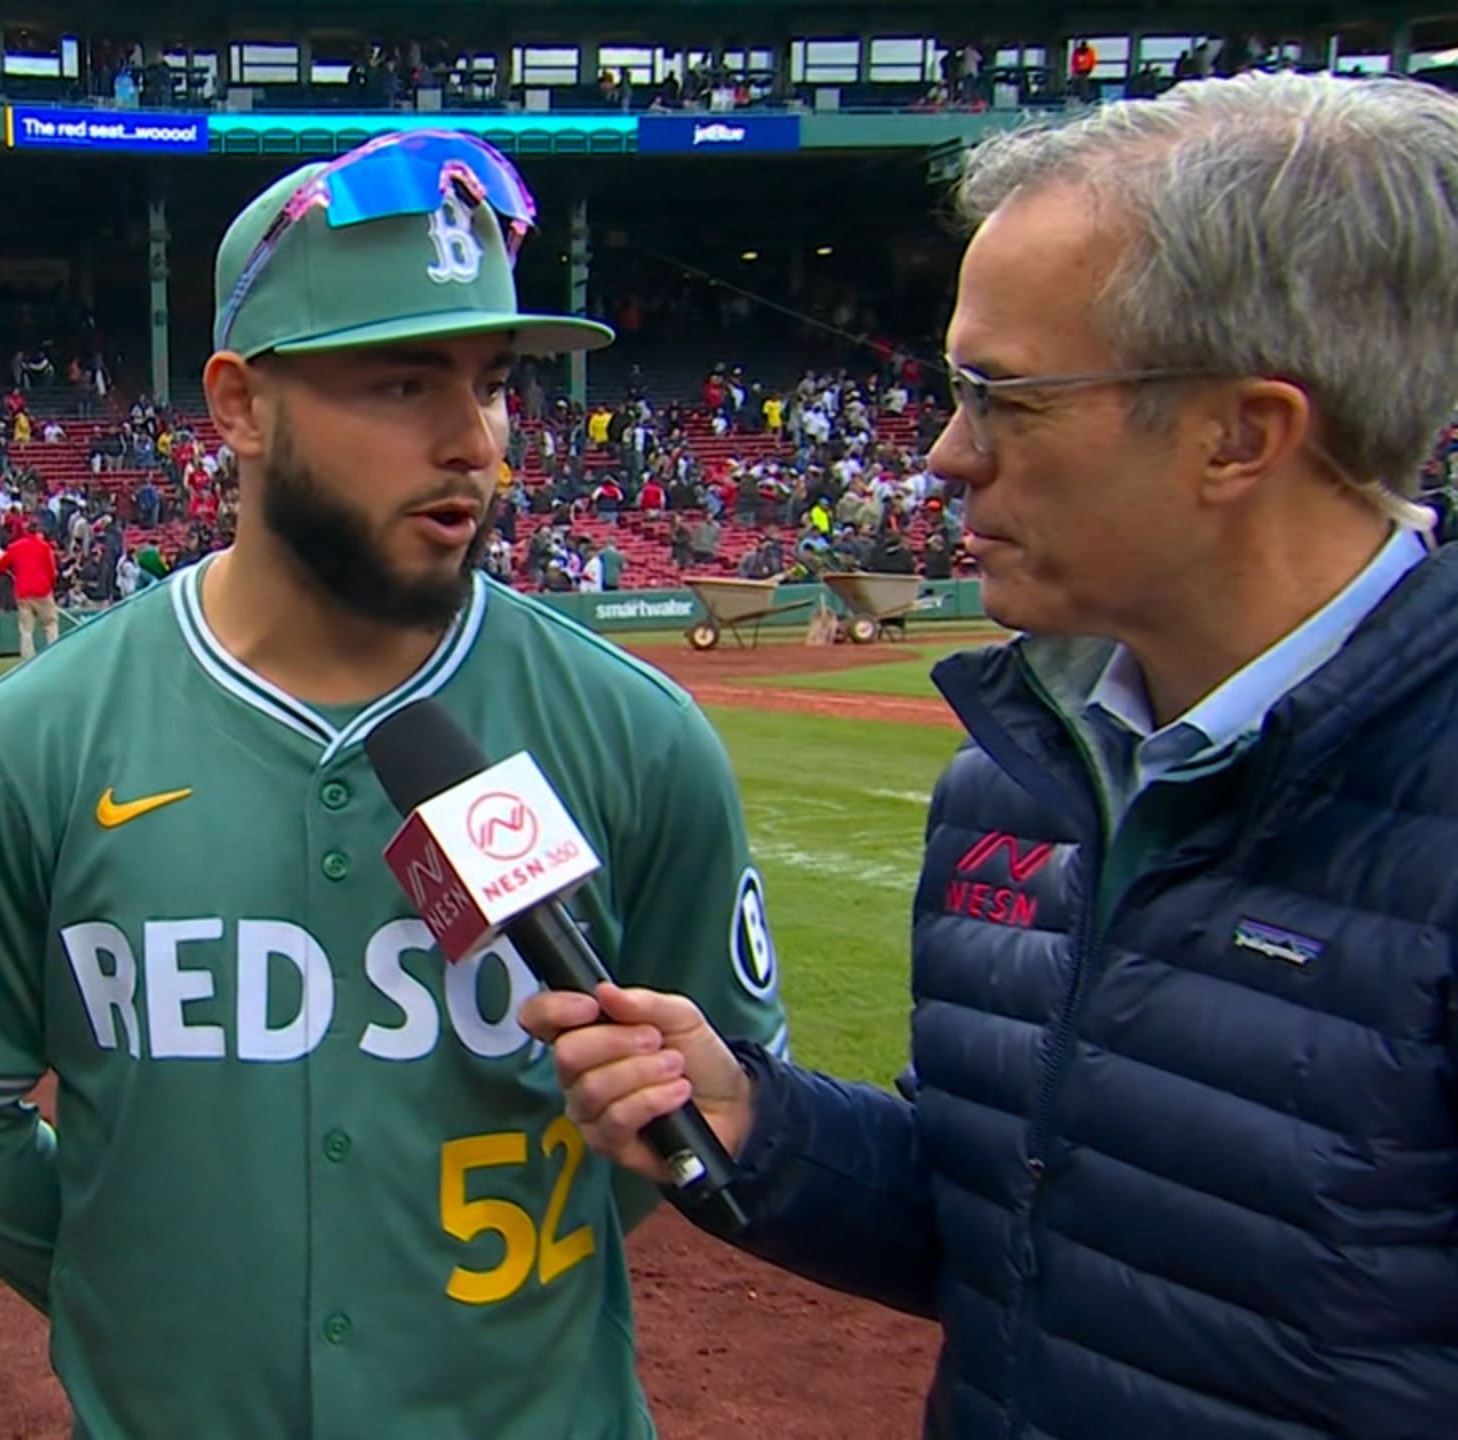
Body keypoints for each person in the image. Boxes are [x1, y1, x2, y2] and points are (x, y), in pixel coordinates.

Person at [525, 71, 1458, 1440]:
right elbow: (1007, 1228)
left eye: (1003, 397)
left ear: (1240, 435)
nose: (945, 456)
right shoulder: (1014, 782)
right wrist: (761, 1123)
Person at [0, 130, 790, 1438]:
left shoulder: (638, 737)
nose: (474, 441)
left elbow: (716, 1097)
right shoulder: (29, 747)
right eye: (404, 383)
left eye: (492, 382)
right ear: (239, 404)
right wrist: (137, 1297)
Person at [0, 520, 59, 658]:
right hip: (42, 590)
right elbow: (51, 571)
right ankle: (53, 653)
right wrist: (51, 587)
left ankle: (28, 658)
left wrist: (9, 572)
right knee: (50, 623)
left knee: (26, 629)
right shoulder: (44, 547)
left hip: (23, 592)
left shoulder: (15, 547)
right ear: (38, 532)